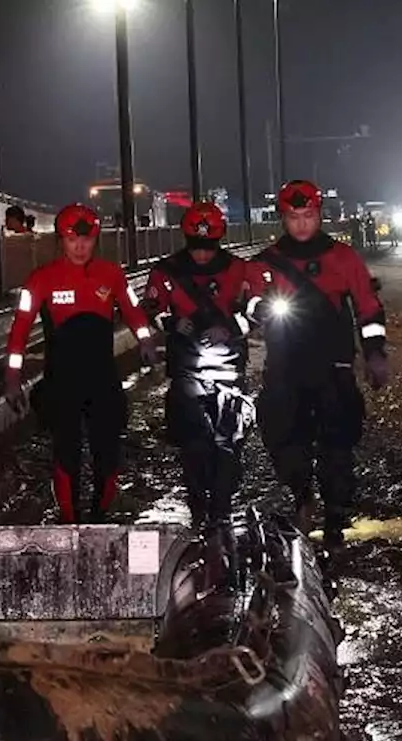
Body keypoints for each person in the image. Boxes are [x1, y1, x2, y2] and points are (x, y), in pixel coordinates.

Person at [248, 179, 389, 549]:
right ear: (283, 218)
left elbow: (369, 309)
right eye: (293, 217)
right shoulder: (266, 262)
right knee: (282, 437)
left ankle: (334, 523)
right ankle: (301, 496)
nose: (301, 224)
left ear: (319, 215)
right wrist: (257, 309)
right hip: (285, 368)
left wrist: (375, 353)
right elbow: (245, 300)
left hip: (334, 368)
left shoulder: (343, 259)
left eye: (308, 215)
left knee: (337, 448)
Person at [3, 203, 158, 524]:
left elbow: (132, 309)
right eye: (73, 240)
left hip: (103, 378)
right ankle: (71, 521)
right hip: (62, 381)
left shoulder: (111, 274)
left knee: (107, 450)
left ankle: (100, 517)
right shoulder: (40, 280)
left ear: (96, 240)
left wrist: (145, 340)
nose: (80, 247)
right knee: (66, 452)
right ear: (61, 240)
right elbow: (19, 328)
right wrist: (12, 377)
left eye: (87, 241)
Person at [142, 201, 256, 555]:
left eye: (209, 247)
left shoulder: (241, 270)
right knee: (193, 444)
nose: (203, 255)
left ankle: (221, 509)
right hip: (187, 370)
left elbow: (261, 309)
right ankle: (198, 507)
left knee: (228, 444)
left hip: (229, 370)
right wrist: (174, 323)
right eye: (197, 246)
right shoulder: (166, 271)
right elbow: (150, 306)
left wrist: (232, 328)